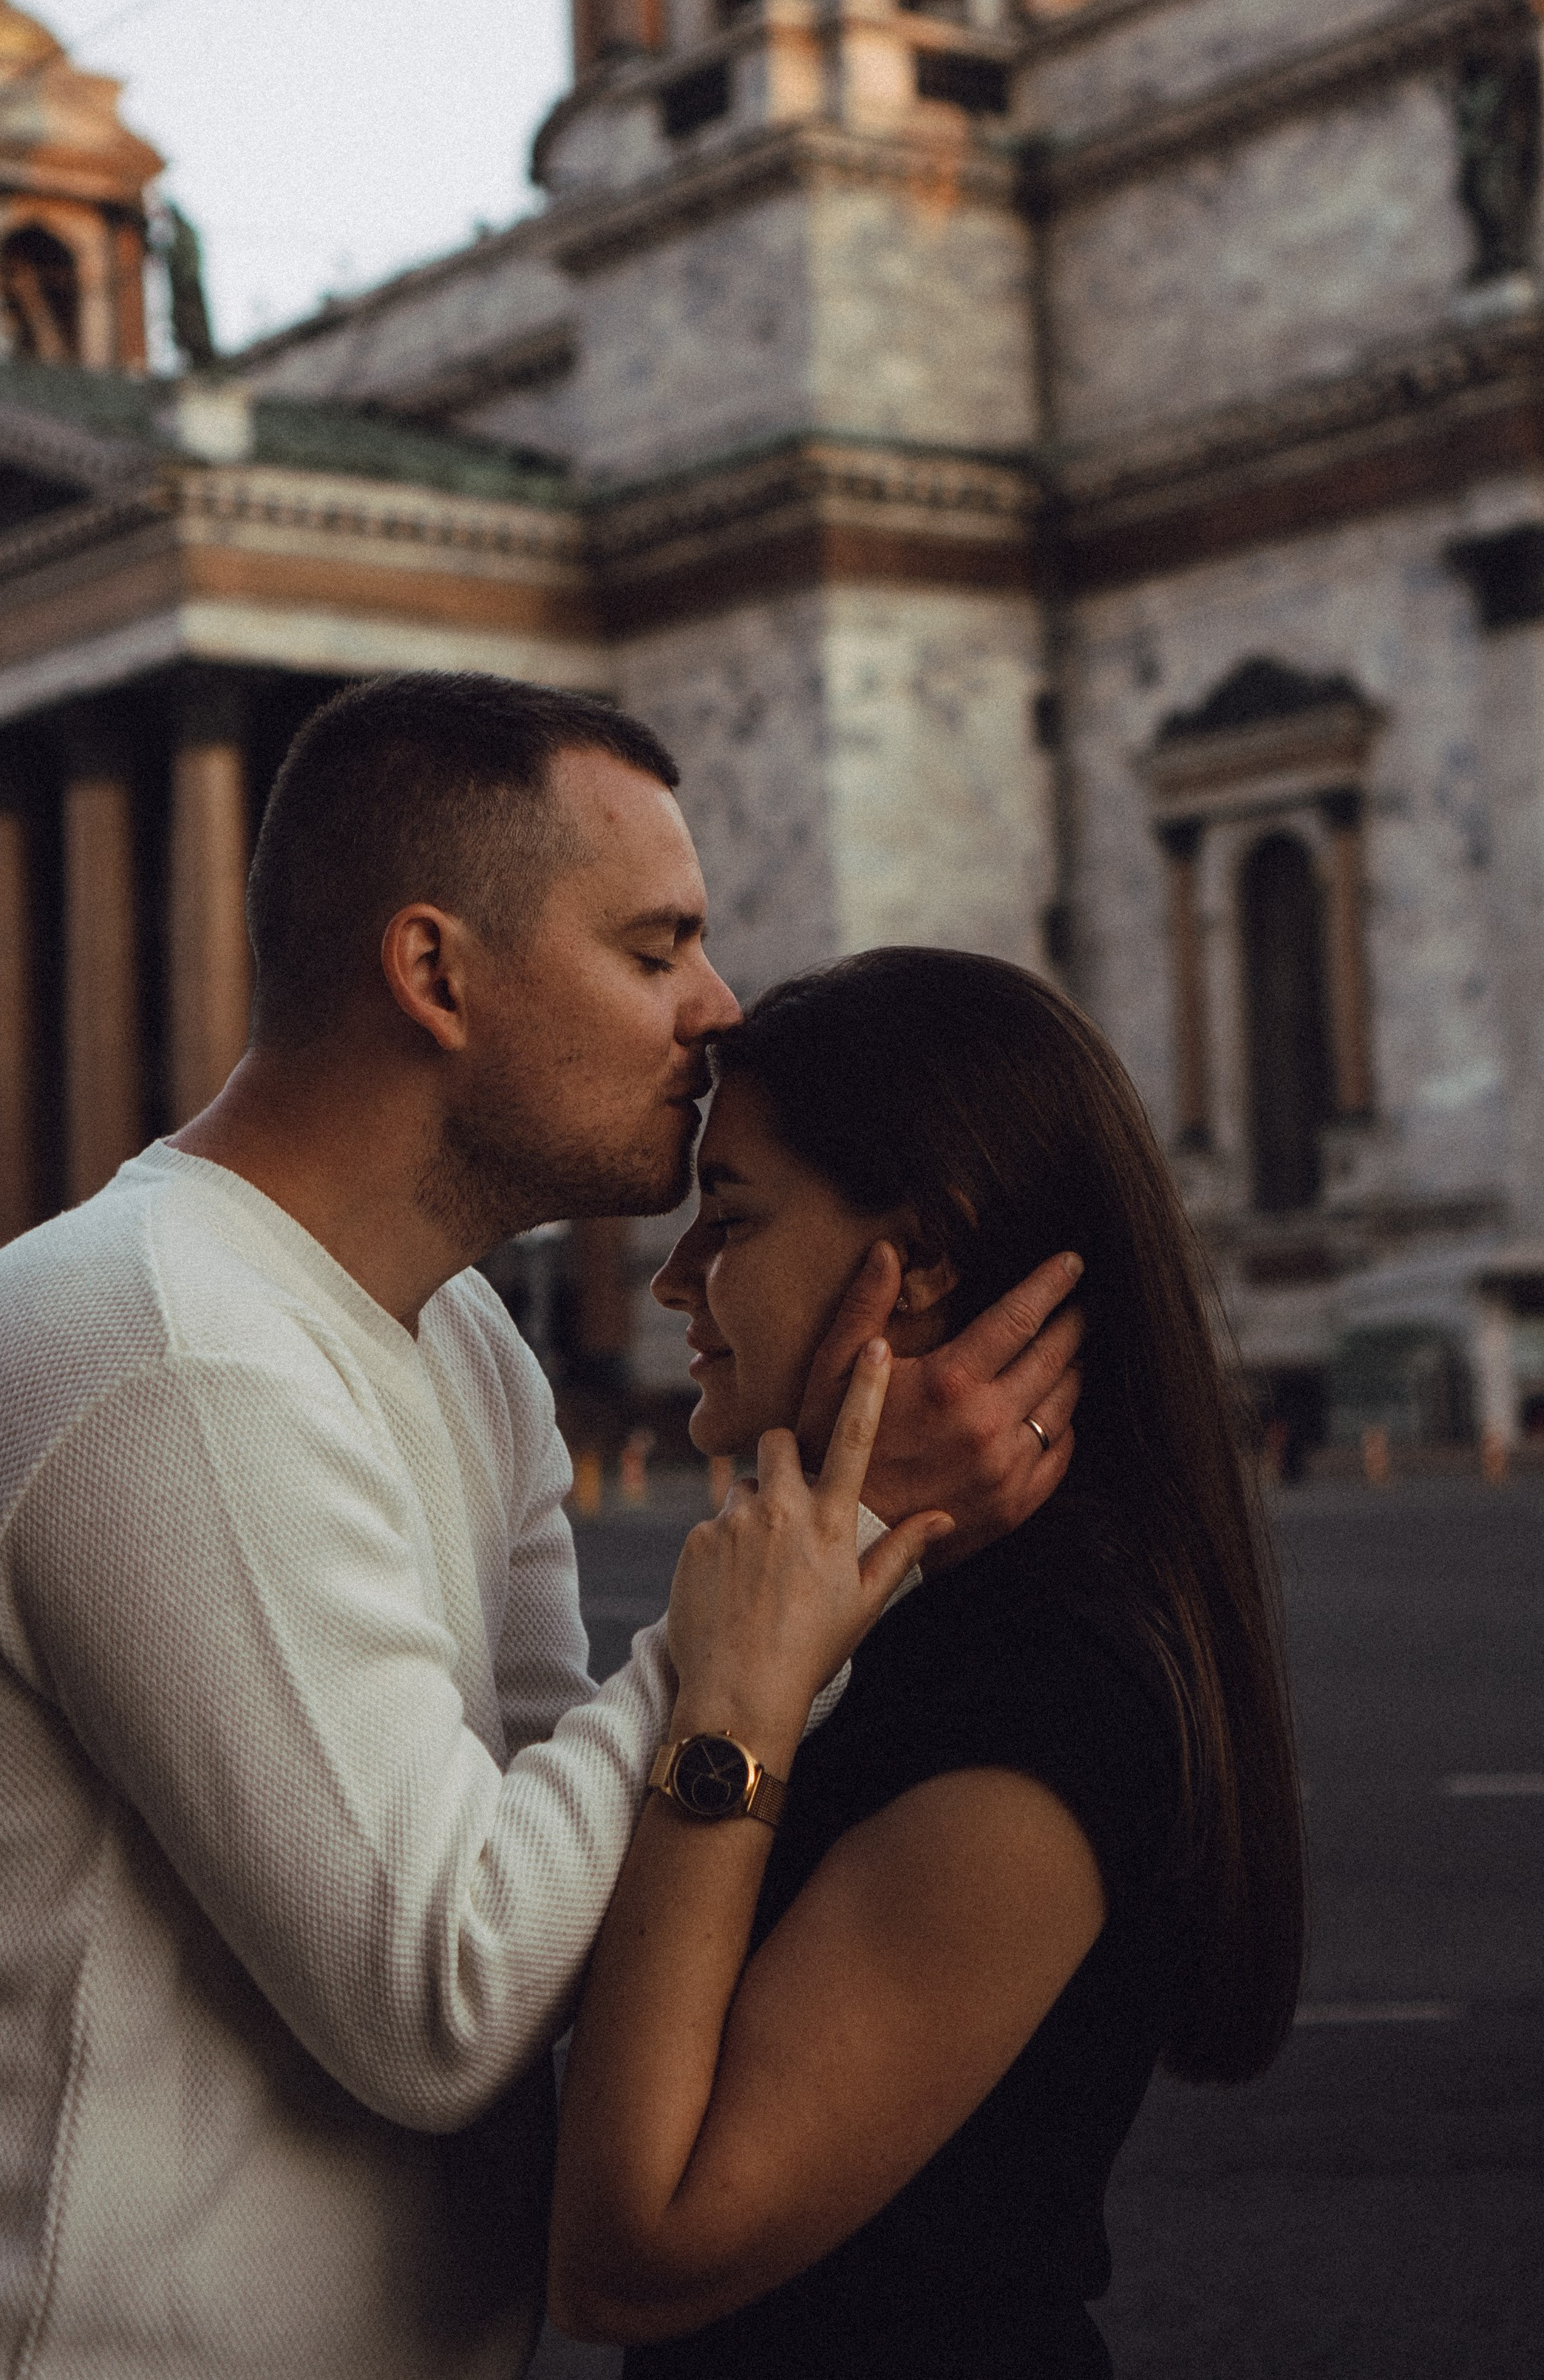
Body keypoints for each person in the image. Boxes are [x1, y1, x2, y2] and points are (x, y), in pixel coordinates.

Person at [0, 674, 1083, 2380]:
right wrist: (808, 1569)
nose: (715, 1010)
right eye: (653, 952)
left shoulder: (461, 1334)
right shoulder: (162, 1346)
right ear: (434, 975)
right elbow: (453, 1995)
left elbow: (585, 1848)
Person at [547, 945, 1307, 2378]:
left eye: (730, 1219)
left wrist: (738, 1703)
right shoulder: (909, 1609)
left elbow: (631, 2255)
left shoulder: (1040, 1701)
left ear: (918, 1267)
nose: (670, 1281)